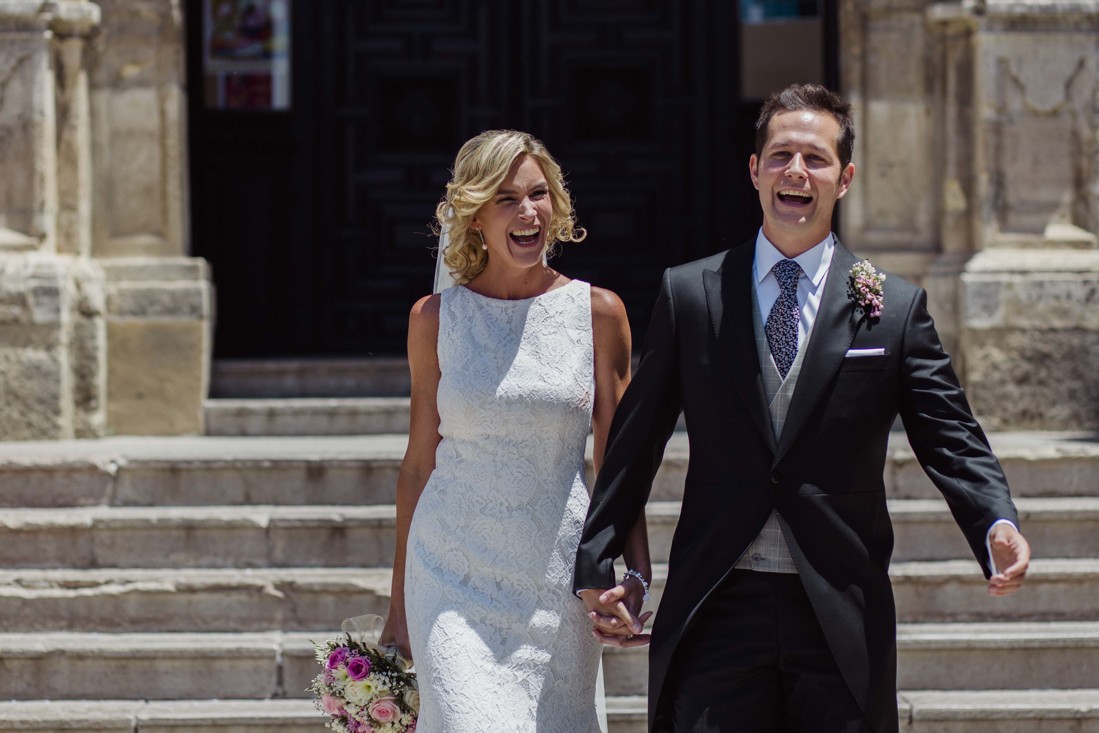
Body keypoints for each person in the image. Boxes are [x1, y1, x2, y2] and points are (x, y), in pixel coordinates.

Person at [572, 84, 1031, 732]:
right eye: (780, 154)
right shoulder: (691, 295)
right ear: (753, 169)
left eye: (814, 159)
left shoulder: (892, 310)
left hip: (838, 609)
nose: (796, 171)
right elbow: (635, 441)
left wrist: (994, 522)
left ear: (844, 179)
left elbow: (950, 435)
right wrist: (597, 555)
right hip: (717, 603)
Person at [379, 129, 652, 732]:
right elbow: (419, 465)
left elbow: (619, 465)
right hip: (449, 571)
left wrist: (634, 575)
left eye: (538, 194)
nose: (527, 212)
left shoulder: (599, 313)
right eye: (505, 199)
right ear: (474, 216)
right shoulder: (433, 320)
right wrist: (397, 608)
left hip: (555, 578)